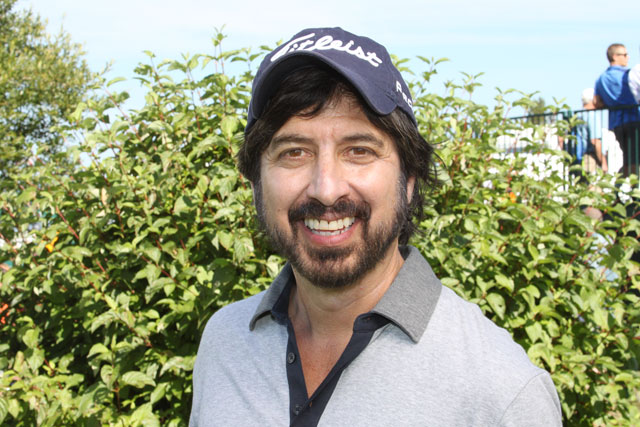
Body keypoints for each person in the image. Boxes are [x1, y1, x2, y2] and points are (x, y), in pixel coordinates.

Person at [189, 27, 562, 426]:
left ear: (409, 180)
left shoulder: (503, 394)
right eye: (294, 152)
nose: (326, 189)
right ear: (256, 184)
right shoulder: (224, 342)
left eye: (359, 151)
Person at [594, 43, 640, 176]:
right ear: (614, 56)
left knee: (629, 158)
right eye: (624, 55)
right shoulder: (628, 75)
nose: (627, 57)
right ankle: (626, 186)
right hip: (633, 119)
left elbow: (596, 102)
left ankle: (620, 185)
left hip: (616, 123)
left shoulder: (601, 79)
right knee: (633, 160)